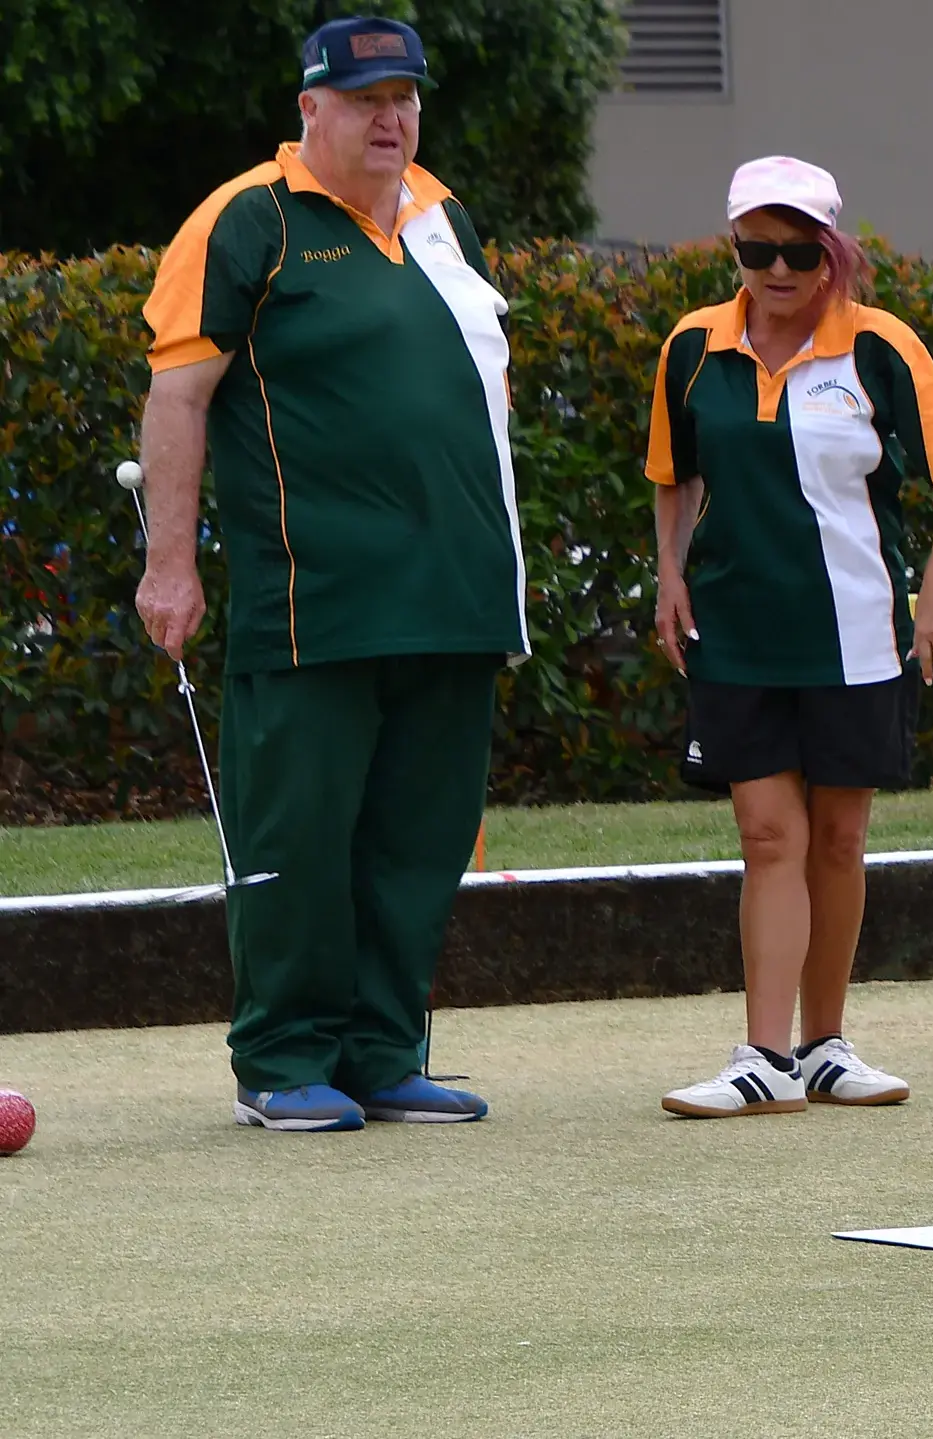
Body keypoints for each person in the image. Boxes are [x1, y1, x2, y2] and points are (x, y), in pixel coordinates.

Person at [135, 17, 524, 1132]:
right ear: (311, 110)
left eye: (404, 96)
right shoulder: (246, 218)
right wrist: (171, 566)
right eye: (365, 99)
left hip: (453, 591)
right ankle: (283, 1056)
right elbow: (179, 398)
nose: (391, 116)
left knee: (419, 838)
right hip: (315, 599)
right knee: (299, 839)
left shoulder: (446, 217)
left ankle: (384, 1048)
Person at [647, 156, 933, 1118]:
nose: (780, 270)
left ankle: (825, 1045)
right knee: (767, 834)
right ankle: (761, 1055)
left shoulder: (880, 347)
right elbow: (673, 473)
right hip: (735, 628)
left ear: (832, 251)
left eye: (801, 251)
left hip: (858, 634)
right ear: (735, 249)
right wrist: (669, 573)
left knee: (838, 839)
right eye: (759, 250)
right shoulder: (690, 348)